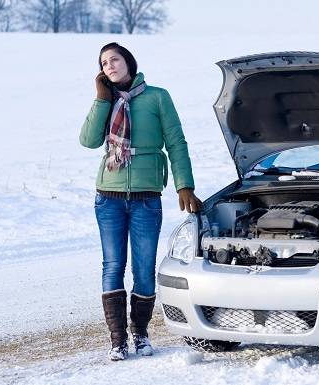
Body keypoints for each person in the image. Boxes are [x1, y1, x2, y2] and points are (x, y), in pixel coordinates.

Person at [79, 42, 203, 361]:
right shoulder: (107, 101)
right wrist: (101, 98)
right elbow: (89, 141)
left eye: (114, 59)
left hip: (147, 197)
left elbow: (176, 142)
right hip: (108, 197)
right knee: (112, 266)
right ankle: (118, 339)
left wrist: (184, 185)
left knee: (144, 270)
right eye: (104, 63)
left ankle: (141, 334)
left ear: (129, 62)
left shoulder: (157, 97)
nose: (109, 66)